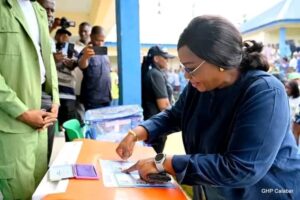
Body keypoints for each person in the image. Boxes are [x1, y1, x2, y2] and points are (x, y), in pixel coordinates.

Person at [116, 15, 300, 200]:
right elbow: (175, 115)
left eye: (191, 68)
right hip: (220, 189)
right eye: (184, 68)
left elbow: (242, 167)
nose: (187, 76)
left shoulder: (264, 92)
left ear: (219, 60)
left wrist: (164, 162)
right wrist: (138, 132)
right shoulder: (201, 85)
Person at [0, 0, 59, 199]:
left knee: (39, 189)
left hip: (42, 111)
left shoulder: (39, 11)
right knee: (19, 192)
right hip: (13, 119)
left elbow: (47, 59)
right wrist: (22, 112)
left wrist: (55, 100)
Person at [141, 46, 175, 153]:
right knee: (155, 157)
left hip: (152, 123)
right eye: (165, 58)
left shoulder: (152, 72)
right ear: (156, 59)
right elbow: (164, 105)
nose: (167, 60)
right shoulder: (155, 74)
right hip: (156, 125)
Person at [37, 0, 57, 164]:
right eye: (46, 9)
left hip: (47, 97)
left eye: (52, 10)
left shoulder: (49, 40)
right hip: (28, 95)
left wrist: (55, 101)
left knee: (45, 154)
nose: (50, 14)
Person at [78, 26, 112, 110]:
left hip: (106, 97)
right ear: (91, 37)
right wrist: (85, 57)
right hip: (93, 99)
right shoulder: (87, 50)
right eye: (97, 40)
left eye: (102, 41)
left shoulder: (103, 51)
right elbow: (82, 65)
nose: (100, 43)